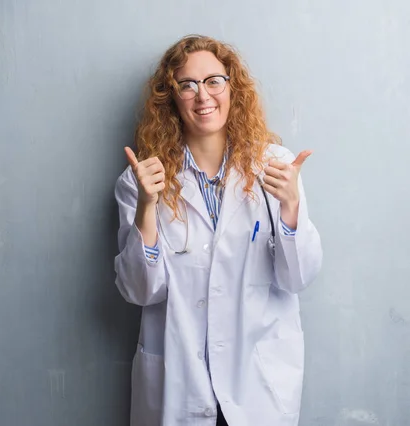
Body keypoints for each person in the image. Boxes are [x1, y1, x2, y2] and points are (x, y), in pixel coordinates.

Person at [114, 34, 322, 426]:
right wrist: (147, 207)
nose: (202, 95)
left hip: (256, 384)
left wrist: (291, 206)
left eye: (213, 81)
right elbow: (140, 290)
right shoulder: (142, 180)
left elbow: (297, 277)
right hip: (180, 385)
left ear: (232, 88)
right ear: (171, 97)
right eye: (186, 84)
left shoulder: (274, 167)